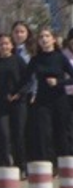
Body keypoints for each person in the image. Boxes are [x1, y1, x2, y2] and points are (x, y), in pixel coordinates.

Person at [0, 31, 30, 170]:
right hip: (1, 102)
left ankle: (21, 165)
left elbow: (27, 80)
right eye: (1, 44)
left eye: (6, 44)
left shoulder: (18, 60)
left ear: (11, 46)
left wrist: (19, 93)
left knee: (18, 134)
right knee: (3, 134)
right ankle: (5, 164)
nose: (4, 47)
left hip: (18, 101)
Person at [28, 27, 73, 161]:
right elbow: (25, 78)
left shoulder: (60, 57)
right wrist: (13, 92)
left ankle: (65, 162)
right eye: (41, 37)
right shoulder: (35, 59)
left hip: (59, 98)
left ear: (53, 39)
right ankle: (48, 163)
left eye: (47, 36)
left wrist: (58, 82)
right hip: (42, 100)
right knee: (44, 132)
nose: (44, 39)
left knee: (62, 131)